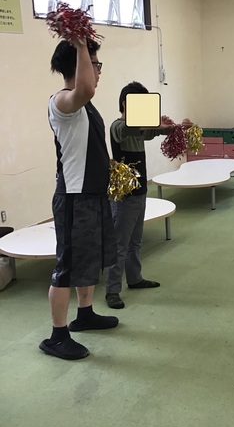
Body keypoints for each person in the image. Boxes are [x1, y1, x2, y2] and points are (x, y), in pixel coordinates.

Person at [40, 38, 119, 361]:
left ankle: (85, 314)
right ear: (79, 64)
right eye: (95, 64)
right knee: (67, 268)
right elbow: (85, 87)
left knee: (89, 260)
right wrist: (80, 42)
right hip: (75, 197)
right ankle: (56, 337)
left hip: (93, 195)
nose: (98, 71)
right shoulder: (63, 101)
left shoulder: (84, 106)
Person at [105, 81, 192, 309]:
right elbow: (131, 129)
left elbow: (155, 131)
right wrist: (152, 123)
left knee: (135, 241)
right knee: (119, 244)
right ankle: (112, 291)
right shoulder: (118, 126)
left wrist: (177, 127)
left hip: (140, 191)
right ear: (126, 104)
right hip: (124, 195)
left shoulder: (140, 129)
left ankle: (135, 278)